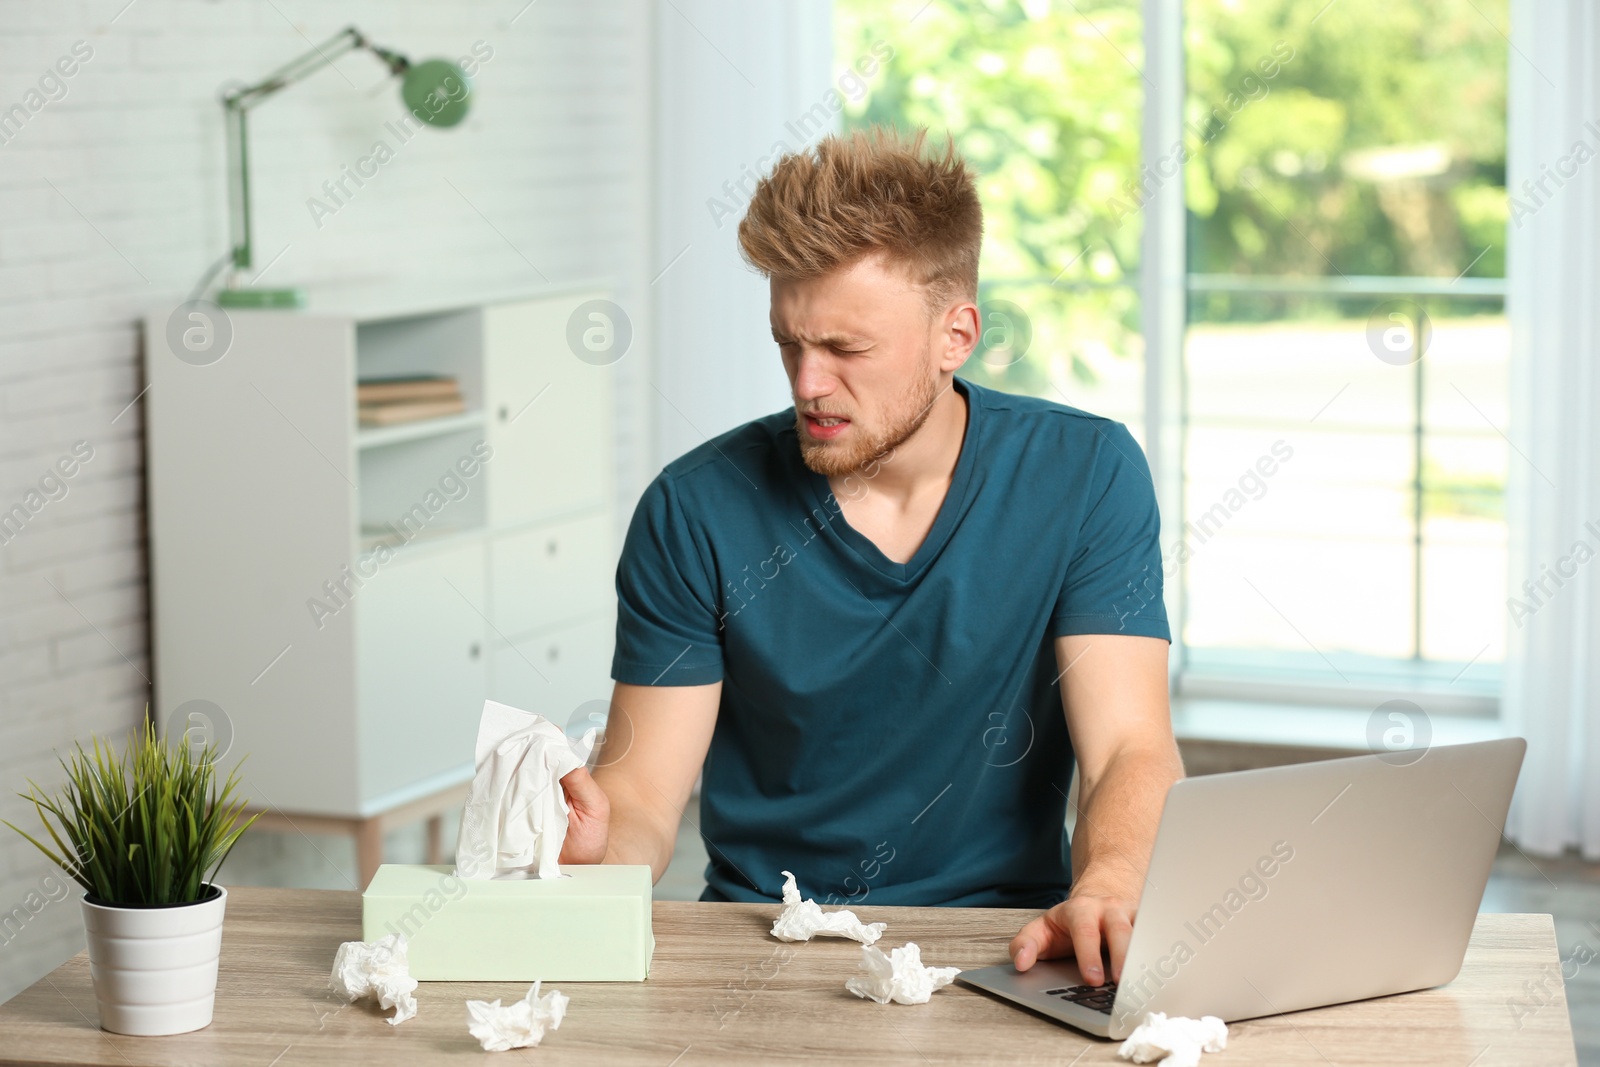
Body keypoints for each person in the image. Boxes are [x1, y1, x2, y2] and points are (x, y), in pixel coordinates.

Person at [558, 126, 1183, 987]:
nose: (808, 382)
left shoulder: (1085, 475)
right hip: (766, 943)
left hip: (1010, 943)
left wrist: (1112, 881)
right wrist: (596, 849)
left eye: (847, 350)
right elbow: (641, 799)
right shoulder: (694, 508)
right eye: (789, 342)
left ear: (955, 334)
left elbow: (1129, 748)